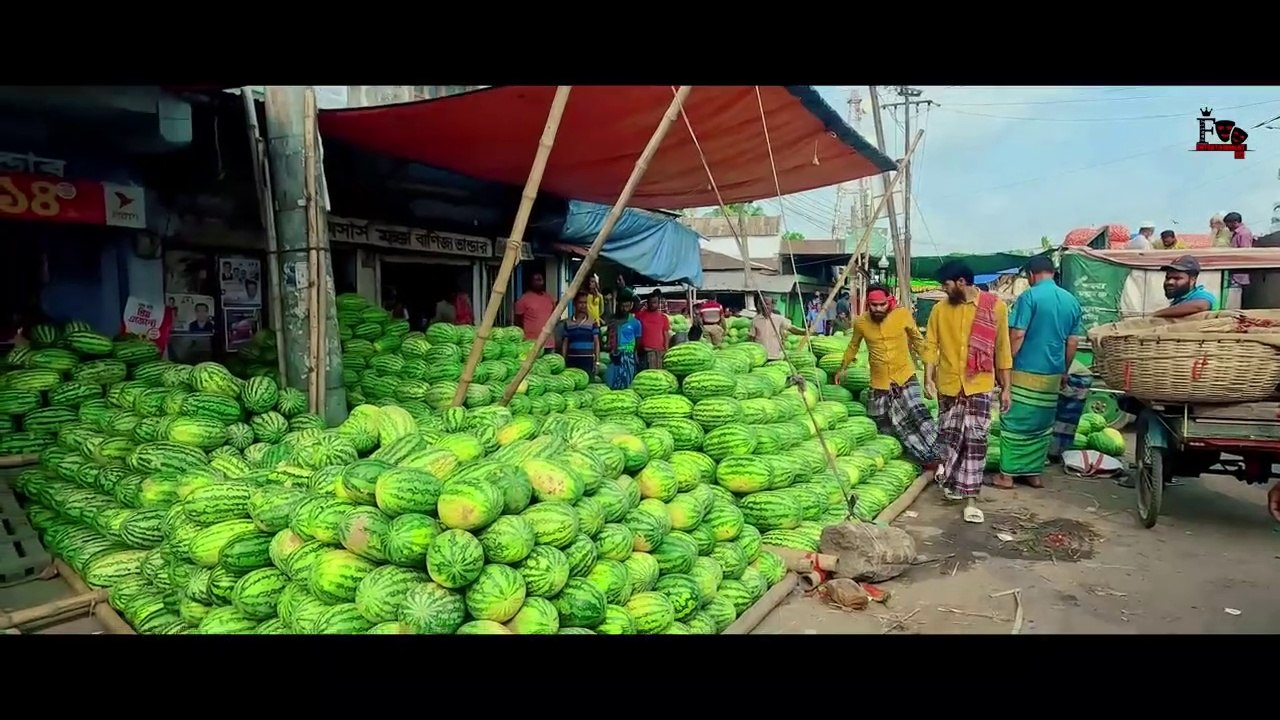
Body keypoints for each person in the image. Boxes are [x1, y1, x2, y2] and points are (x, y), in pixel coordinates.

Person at [924, 261, 1013, 525]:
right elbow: (931, 344)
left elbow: (1002, 348)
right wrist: (928, 377)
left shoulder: (995, 307)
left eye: (946, 284)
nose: (944, 289)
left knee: (976, 441)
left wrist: (1007, 387)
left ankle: (971, 498)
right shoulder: (939, 310)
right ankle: (953, 482)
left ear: (961, 282)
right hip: (949, 384)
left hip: (980, 385)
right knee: (949, 439)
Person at [996, 255, 1083, 489]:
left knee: (1014, 420)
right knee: (1041, 424)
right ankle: (1033, 474)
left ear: (1031, 274)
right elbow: (1072, 341)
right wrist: (1064, 370)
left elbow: (1017, 334)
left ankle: (1007, 476)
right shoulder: (1071, 301)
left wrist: (1005, 364)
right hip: (1053, 373)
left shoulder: (1030, 297)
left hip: (1025, 369)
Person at [834, 284, 938, 467]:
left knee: (917, 414)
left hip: (904, 375)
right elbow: (853, 346)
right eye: (874, 305)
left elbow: (919, 343)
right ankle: (900, 458)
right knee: (882, 421)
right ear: (868, 303)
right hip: (880, 381)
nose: (878, 308)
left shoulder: (902, 315)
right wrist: (842, 367)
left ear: (889, 301)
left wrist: (929, 376)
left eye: (882, 304)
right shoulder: (861, 322)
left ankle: (937, 454)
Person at [1048, 358, 1093, 463]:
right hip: (1079, 376)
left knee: (1061, 418)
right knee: (1065, 420)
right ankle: (1057, 454)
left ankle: (1053, 454)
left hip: (1074, 377)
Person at [1151, 255, 1217, 318]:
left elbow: (1201, 306)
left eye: (1177, 278)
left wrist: (1156, 314)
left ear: (1192, 279)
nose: (1170, 282)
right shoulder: (1178, 302)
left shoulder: (1202, 295)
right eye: (1168, 278)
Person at [749, 296, 807, 361]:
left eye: (767, 304)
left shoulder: (779, 319)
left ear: (772, 306)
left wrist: (804, 332)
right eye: (762, 304)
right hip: (760, 357)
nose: (764, 306)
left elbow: (791, 329)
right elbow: (752, 339)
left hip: (775, 355)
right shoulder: (755, 320)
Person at [606, 290, 642, 390]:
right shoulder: (612, 321)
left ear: (631, 306)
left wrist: (635, 354)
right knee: (612, 383)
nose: (624, 309)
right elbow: (608, 337)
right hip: (613, 357)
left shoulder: (635, 323)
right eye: (622, 306)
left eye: (627, 306)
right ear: (618, 305)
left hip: (628, 356)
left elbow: (638, 340)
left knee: (627, 383)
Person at [514, 272, 556, 354]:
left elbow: (554, 316)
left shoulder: (549, 298)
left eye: (541, 280)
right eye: (536, 280)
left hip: (549, 342)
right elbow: (518, 321)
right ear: (531, 282)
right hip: (531, 343)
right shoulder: (523, 299)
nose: (539, 282)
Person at [562, 292, 599, 377]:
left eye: (585, 303)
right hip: (572, 360)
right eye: (580, 303)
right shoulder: (568, 323)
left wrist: (597, 362)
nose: (583, 305)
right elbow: (565, 343)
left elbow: (596, 343)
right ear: (574, 304)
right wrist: (563, 360)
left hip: (587, 360)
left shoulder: (593, 322)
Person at [1224, 211, 1254, 309]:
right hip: (1235, 273)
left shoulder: (1244, 233)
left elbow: (1245, 253)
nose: (1227, 227)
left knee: (1235, 302)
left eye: (1227, 224)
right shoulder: (1236, 233)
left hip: (1240, 275)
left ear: (1235, 222)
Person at [635, 290, 670, 370]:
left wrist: (666, 350)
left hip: (659, 352)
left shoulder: (663, 317)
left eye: (655, 302)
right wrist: (635, 350)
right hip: (644, 352)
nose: (652, 304)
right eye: (650, 302)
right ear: (647, 303)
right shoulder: (639, 316)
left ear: (658, 303)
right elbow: (635, 333)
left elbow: (666, 335)